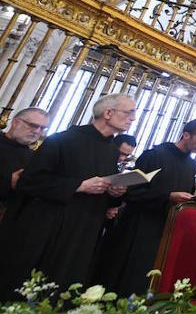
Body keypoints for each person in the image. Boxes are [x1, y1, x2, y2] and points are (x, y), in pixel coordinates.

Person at [0, 93, 135, 297]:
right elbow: (31, 181)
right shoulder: (65, 139)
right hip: (51, 228)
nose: (133, 118)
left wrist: (115, 193)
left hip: (85, 231)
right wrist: (78, 186)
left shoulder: (111, 151)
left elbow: (102, 191)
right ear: (108, 113)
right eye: (129, 112)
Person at [94, 117, 196, 295]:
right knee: (126, 279)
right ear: (186, 135)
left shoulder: (191, 165)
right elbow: (132, 192)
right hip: (138, 228)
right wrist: (168, 196)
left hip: (166, 230)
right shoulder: (155, 155)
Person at [0, 107, 47, 221]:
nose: (37, 132)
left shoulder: (36, 158)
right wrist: (8, 181)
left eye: (42, 128)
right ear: (16, 122)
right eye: (33, 125)